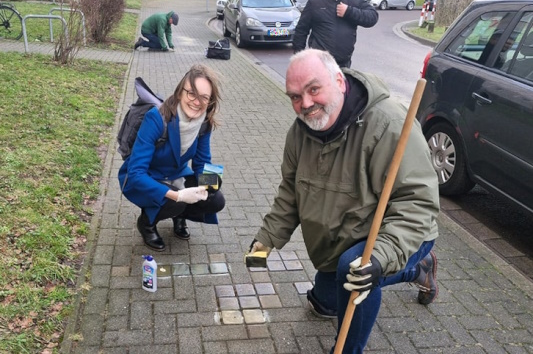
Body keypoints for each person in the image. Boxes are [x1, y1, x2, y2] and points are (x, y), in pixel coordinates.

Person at [247, 49, 440, 353]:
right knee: (324, 302)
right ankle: (418, 271)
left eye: (313, 89)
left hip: (396, 235)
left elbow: (417, 203)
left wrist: (379, 256)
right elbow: (290, 191)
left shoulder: (389, 125)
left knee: (354, 273)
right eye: (295, 96)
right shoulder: (300, 133)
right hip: (338, 239)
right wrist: (268, 238)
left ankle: (349, 347)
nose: (305, 104)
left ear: (338, 80)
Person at [118, 64, 225, 251]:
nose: (197, 102)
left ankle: (180, 215)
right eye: (192, 93)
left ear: (210, 102)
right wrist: (178, 195)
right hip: (145, 177)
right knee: (175, 201)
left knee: (215, 198)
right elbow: (136, 173)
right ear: (180, 92)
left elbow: (201, 163)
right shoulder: (157, 118)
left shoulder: (203, 123)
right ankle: (147, 223)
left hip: (176, 175)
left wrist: (211, 183)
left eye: (204, 97)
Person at [292, 0, 378, 68]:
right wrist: (299, 59)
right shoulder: (315, 2)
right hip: (318, 65)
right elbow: (301, 31)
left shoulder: (356, 0)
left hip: (343, 66)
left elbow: (372, 18)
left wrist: (349, 11)